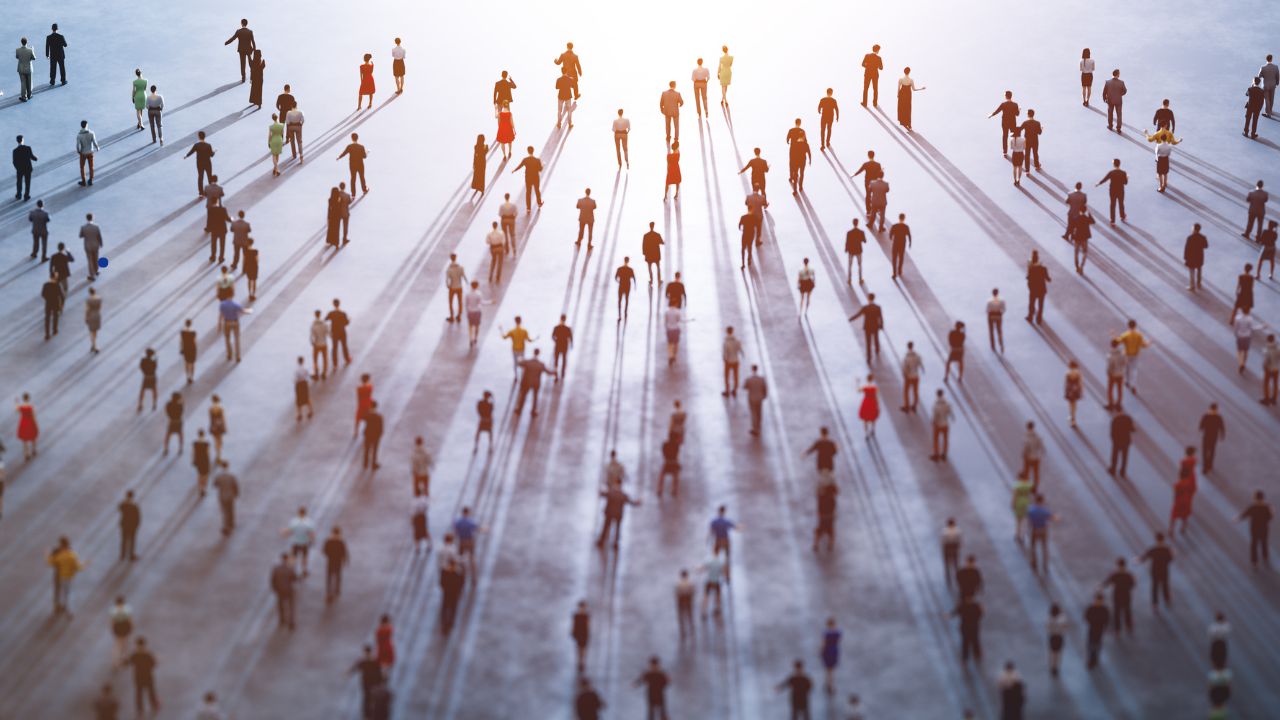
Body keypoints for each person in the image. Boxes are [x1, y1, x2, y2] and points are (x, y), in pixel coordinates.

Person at [47, 536, 84, 615]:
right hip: (63, 574)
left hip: (59, 573)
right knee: (63, 590)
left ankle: (59, 605)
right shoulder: (67, 551)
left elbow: (51, 561)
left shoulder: (58, 551)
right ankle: (62, 605)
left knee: (59, 589)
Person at [124, 637, 160, 715]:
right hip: (148, 676)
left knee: (139, 693)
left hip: (138, 677)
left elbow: (127, 663)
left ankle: (140, 710)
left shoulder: (135, 654)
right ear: (145, 645)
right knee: (150, 692)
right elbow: (154, 664)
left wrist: (123, 660)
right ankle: (153, 706)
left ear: (137, 645)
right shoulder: (148, 654)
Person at [1101, 557, 1135, 636]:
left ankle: (1117, 629)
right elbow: (1132, 584)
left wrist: (1100, 586)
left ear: (1117, 565)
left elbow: (1107, 582)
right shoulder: (1128, 574)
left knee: (1117, 611)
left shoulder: (1115, 574)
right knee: (1127, 610)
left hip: (1117, 594)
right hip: (1126, 594)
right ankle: (1128, 625)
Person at [1139, 532, 1174, 609]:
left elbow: (1144, 558)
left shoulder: (1153, 549)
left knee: (1155, 585)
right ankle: (1166, 598)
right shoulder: (1167, 549)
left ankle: (1155, 603)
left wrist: (1138, 560)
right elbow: (1170, 559)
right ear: (1163, 539)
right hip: (1164, 569)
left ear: (1156, 539)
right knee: (1165, 584)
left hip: (1154, 569)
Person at [1238, 490, 1273, 567]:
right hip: (1264, 528)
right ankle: (1265, 556)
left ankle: (1254, 560)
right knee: (1264, 542)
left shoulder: (1253, 507)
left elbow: (1245, 514)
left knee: (1254, 544)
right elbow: (1270, 517)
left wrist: (1237, 519)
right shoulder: (1266, 507)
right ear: (1263, 498)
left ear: (1255, 498)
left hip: (1254, 528)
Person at [516, 348, 556, 415]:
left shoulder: (528, 362)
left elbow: (519, 363)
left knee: (523, 396)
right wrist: (554, 371)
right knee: (535, 397)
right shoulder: (541, 364)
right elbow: (548, 372)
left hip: (527, 382)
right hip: (536, 383)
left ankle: (519, 410)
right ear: (539, 353)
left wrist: (519, 358)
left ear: (533, 352)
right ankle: (533, 411)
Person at [848, 294, 884, 364]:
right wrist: (881, 325)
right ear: (874, 298)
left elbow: (858, 314)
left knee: (868, 342)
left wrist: (851, 319)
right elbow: (880, 317)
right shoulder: (878, 307)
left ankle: (869, 357)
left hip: (867, 327)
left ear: (868, 299)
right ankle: (877, 349)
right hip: (875, 326)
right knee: (876, 338)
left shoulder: (865, 308)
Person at [1169, 448, 1198, 535]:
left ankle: (1171, 529)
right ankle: (1183, 528)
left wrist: (1174, 500)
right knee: (1185, 515)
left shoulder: (1177, 484)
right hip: (1186, 500)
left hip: (1178, 501)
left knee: (1174, 515)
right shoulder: (1194, 460)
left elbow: (1175, 493)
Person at [349, 645, 384, 716]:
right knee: (369, 697)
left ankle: (367, 713)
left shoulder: (365, 661)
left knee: (367, 697)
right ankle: (369, 713)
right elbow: (379, 672)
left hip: (368, 682)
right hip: (371, 682)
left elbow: (354, 668)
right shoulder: (373, 661)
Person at [1027, 494, 1056, 572]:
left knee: (1033, 546)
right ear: (1042, 501)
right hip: (1043, 529)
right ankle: (1045, 564)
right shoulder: (1044, 510)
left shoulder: (1031, 510)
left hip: (1035, 529)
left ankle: (1034, 561)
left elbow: (1029, 520)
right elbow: (1052, 517)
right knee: (1044, 547)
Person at [269, 552, 297, 630]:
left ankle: (282, 619)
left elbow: (273, 580)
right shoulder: (290, 569)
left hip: (280, 590)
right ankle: (291, 621)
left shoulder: (276, 569)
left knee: (281, 605)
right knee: (291, 605)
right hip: (288, 590)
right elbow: (294, 578)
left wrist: (275, 589)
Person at [951, 597, 983, 663]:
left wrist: (948, 615)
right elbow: (980, 614)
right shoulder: (976, 606)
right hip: (974, 626)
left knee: (965, 642)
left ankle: (965, 657)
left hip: (965, 627)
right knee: (975, 640)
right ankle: (977, 654)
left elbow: (955, 612)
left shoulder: (963, 606)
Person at [988, 90, 1020, 155]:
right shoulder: (1015, 104)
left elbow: (997, 111)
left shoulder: (1003, 104)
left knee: (1005, 136)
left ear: (1006, 96)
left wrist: (991, 115)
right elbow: (1017, 114)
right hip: (1012, 123)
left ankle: (1005, 151)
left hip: (1005, 123)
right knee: (1014, 135)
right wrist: (1018, 110)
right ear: (1011, 96)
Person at [511, 146, 543, 212]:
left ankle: (528, 208)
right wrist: (543, 165)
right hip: (536, 178)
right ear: (533, 151)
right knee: (537, 190)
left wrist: (514, 170)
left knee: (528, 192)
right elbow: (540, 169)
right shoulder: (537, 160)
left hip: (528, 178)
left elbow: (520, 166)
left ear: (528, 151)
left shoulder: (525, 159)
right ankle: (539, 203)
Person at [1083, 592, 1110, 669]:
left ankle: (1094, 657)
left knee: (1096, 643)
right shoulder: (1092, 608)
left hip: (1099, 629)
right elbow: (1087, 616)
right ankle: (1092, 658)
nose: (1097, 602)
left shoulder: (1103, 609)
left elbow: (1106, 619)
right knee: (1091, 643)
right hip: (1093, 628)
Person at [1107, 406, 1135, 477]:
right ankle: (1123, 471)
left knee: (1115, 456)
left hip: (1117, 441)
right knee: (1124, 456)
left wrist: (1113, 440)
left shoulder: (1115, 420)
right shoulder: (1128, 418)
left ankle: (1113, 469)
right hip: (1126, 441)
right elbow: (1132, 429)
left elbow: (1112, 433)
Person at [1199, 403, 1227, 473]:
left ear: (1209, 408)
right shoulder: (1218, 417)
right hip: (1214, 436)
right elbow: (1222, 427)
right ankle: (1210, 464)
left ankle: (1205, 466)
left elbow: (1201, 427)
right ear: (1216, 409)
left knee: (1205, 451)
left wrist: (1204, 427)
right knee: (1212, 450)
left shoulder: (1206, 416)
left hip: (1206, 436)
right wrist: (1222, 435)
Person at [213, 460, 238, 535]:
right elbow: (235, 486)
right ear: (228, 466)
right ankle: (232, 523)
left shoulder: (219, 476)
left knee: (225, 511)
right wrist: (236, 494)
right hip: (230, 496)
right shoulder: (231, 476)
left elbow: (215, 485)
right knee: (231, 510)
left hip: (222, 496)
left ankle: (226, 526)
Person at [786, 119, 812, 192]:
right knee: (802, 173)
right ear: (800, 123)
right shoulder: (803, 132)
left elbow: (787, 139)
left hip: (793, 152)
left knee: (792, 166)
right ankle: (800, 186)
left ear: (795, 122)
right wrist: (810, 159)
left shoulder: (791, 130)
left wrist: (788, 142)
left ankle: (792, 178)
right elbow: (808, 148)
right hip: (802, 159)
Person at [1026, 251, 1051, 324]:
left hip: (1033, 289)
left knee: (1031, 303)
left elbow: (1029, 278)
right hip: (1042, 289)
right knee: (1041, 305)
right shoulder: (1043, 269)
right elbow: (1048, 279)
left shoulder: (1031, 269)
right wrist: (1049, 279)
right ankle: (1039, 319)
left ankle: (1030, 317)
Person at [1182, 223, 1209, 291]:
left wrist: (1185, 257)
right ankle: (1199, 283)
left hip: (1191, 257)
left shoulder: (1190, 238)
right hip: (1199, 257)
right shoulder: (1203, 237)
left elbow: (1187, 248)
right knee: (1199, 270)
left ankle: (1192, 285)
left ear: (1194, 229)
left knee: (1192, 271)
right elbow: (1206, 246)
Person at [109, 596, 134, 668]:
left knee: (118, 644)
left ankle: (115, 661)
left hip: (117, 627)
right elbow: (130, 619)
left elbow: (112, 622)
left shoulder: (113, 610)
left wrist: (112, 629)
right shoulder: (127, 609)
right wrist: (132, 627)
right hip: (125, 627)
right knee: (125, 642)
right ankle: (124, 658)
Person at [743, 365, 768, 436]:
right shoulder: (761, 379)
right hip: (759, 398)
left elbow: (745, 387)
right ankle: (759, 426)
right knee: (759, 412)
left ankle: (755, 429)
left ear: (752, 369)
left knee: (753, 413)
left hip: (752, 398)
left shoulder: (749, 379)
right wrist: (764, 395)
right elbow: (765, 388)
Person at [117, 490, 141, 561]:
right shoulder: (134, 506)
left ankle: (122, 555)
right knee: (132, 540)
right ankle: (131, 555)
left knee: (124, 540)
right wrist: (137, 525)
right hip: (132, 525)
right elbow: (137, 517)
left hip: (124, 524)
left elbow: (119, 508)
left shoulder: (124, 505)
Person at [12, 135, 37, 201]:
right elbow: (31, 157)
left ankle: (18, 195)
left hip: (20, 170)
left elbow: (14, 162)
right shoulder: (28, 148)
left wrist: (18, 168)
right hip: (28, 169)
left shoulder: (15, 151)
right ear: (22, 140)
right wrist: (36, 158)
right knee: (27, 182)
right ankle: (26, 196)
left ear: (17, 141)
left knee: (19, 182)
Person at [930, 389, 953, 461]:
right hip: (946, 424)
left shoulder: (936, 404)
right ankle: (944, 454)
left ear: (937, 394)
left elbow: (935, 415)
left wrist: (933, 422)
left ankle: (936, 454)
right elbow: (950, 412)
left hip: (938, 424)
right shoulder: (947, 403)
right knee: (945, 439)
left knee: (936, 440)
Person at [888, 213, 912, 278]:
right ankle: (899, 270)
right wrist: (910, 243)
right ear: (904, 218)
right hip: (902, 244)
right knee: (901, 257)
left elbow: (890, 235)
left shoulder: (894, 226)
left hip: (895, 244)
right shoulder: (906, 227)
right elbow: (909, 236)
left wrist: (892, 238)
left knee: (894, 258)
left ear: (899, 218)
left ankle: (894, 273)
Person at [1047, 603, 1067, 676]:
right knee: (1056, 653)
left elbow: (1048, 628)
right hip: (1057, 636)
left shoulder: (1052, 618)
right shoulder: (1061, 618)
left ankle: (1054, 666)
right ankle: (1055, 667)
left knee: (1054, 653)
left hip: (1055, 637)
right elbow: (1064, 627)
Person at [76, 120, 99, 186]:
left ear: (81, 126)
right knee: (91, 167)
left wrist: (78, 151)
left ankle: (84, 181)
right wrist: (97, 147)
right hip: (90, 152)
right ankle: (91, 180)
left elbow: (78, 145)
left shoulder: (79, 135)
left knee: (82, 167)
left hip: (83, 153)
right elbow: (94, 142)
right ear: (86, 125)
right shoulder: (91, 133)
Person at [1011, 474, 1032, 544]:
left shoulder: (1017, 485)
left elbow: (1015, 496)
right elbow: (1029, 494)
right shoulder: (1028, 485)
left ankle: (1017, 535)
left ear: (1019, 477)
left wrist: (1013, 504)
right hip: (1026, 502)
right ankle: (1023, 536)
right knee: (1025, 520)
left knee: (1018, 521)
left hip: (1019, 502)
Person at [363, 400, 384, 470]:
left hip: (368, 434)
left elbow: (363, 418)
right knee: (375, 450)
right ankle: (373, 464)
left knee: (367, 449)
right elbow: (381, 427)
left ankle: (365, 463)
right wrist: (380, 434)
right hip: (375, 435)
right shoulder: (379, 417)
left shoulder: (368, 415)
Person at [162, 392, 184, 456]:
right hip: (178, 421)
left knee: (168, 435)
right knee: (180, 435)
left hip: (171, 421)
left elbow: (167, 411)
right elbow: (182, 412)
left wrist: (170, 416)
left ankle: (166, 448)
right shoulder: (180, 405)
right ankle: (180, 448)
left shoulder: (169, 404)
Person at [82, 287, 103, 354]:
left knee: (91, 331)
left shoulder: (88, 300)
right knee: (95, 331)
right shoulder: (99, 298)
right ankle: (93, 345)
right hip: (97, 315)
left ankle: (94, 346)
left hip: (91, 316)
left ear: (89, 292)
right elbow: (100, 307)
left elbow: (87, 310)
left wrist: (86, 317)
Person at [845, 218, 866, 284]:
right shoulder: (861, 232)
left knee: (850, 265)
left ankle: (849, 279)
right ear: (858, 223)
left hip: (851, 251)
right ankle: (860, 279)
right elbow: (864, 241)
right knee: (859, 265)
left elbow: (847, 242)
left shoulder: (849, 233)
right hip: (858, 250)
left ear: (853, 223)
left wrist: (846, 249)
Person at [191, 429, 212, 496]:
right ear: (204, 434)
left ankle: (200, 488)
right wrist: (210, 462)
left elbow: (193, 453)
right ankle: (204, 488)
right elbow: (208, 453)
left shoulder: (195, 443)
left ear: (198, 434)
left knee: (199, 475)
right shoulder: (206, 443)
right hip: (205, 460)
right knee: (205, 475)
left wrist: (193, 460)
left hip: (198, 461)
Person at [14, 37, 36, 102]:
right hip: (29, 68)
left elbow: (17, 57)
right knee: (30, 82)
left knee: (23, 83)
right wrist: (33, 51)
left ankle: (24, 96)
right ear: (27, 42)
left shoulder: (17, 50)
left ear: (21, 42)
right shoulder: (30, 50)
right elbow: (34, 58)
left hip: (21, 68)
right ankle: (29, 95)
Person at [941, 517, 961, 585]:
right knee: (955, 561)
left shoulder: (945, 531)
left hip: (947, 546)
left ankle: (948, 577)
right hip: (954, 546)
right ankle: (957, 575)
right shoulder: (957, 530)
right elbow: (959, 539)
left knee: (947, 562)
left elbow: (943, 540)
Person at [571, 600, 590, 671]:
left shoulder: (586, 616)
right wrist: (574, 633)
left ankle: (581, 662)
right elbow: (574, 626)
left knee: (583, 650)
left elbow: (587, 627)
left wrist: (587, 635)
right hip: (579, 635)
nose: (582, 608)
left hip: (584, 635)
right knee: (579, 649)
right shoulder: (576, 616)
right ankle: (580, 662)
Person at [1262, 334, 1280, 406]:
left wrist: (1264, 366)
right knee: (1275, 383)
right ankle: (1274, 399)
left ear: (1267, 339)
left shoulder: (1267, 348)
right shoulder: (1278, 348)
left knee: (1266, 383)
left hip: (1269, 368)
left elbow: (1266, 360)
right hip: (1276, 368)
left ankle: (1267, 399)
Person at [470, 134, 488, 199]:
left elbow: (475, 155)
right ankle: (481, 189)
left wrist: (474, 163)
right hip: (483, 163)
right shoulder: (485, 146)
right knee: (482, 175)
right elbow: (485, 153)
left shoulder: (476, 146)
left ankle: (477, 187)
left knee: (476, 175)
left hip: (477, 162)